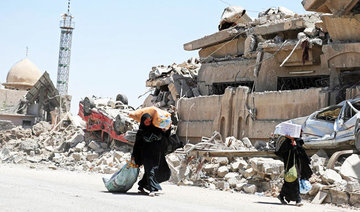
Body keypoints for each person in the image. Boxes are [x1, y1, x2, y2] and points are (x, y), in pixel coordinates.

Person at [131, 113, 171, 197]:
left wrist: (167, 128)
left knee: (152, 171)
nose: (148, 123)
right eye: (146, 121)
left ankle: (141, 186)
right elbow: (137, 145)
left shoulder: (156, 129)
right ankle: (153, 189)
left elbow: (165, 135)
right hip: (146, 154)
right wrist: (134, 156)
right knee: (150, 171)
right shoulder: (141, 132)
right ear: (142, 122)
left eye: (149, 121)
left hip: (156, 154)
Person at [275, 135, 312, 206]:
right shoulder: (286, 142)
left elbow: (301, 152)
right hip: (290, 165)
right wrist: (291, 146)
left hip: (298, 164)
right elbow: (281, 153)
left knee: (289, 182)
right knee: (294, 180)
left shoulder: (298, 141)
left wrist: (295, 146)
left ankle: (281, 195)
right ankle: (298, 200)